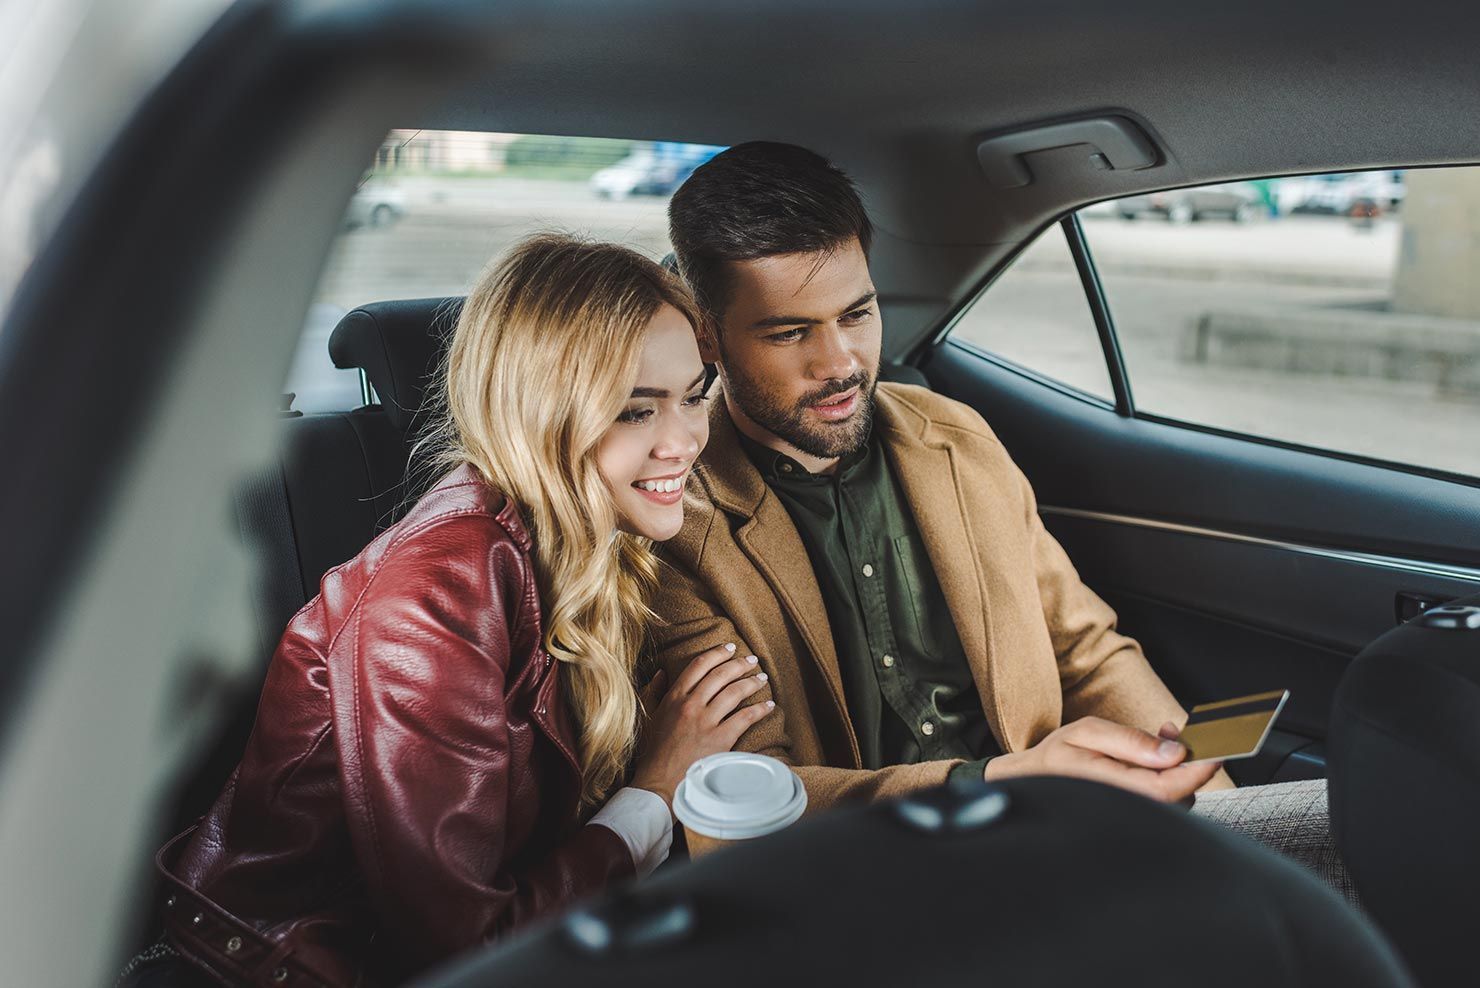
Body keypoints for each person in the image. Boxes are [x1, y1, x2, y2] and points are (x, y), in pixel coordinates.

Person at [133, 235, 775, 987]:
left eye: (695, 394)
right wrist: (655, 792)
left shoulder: (593, 541)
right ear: (542, 413)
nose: (685, 440)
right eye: (635, 411)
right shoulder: (433, 596)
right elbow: (467, 951)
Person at [650, 142, 1234, 815]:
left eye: (857, 314)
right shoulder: (678, 527)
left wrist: (1217, 814)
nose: (840, 363)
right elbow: (744, 791)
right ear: (708, 338)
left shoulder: (957, 438)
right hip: (870, 871)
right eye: (789, 333)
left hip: (1063, 827)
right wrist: (994, 783)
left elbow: (1084, 650)